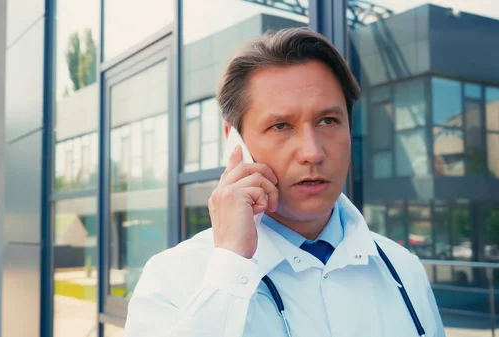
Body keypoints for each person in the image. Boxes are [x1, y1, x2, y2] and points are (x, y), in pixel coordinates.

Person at [124, 27, 445, 337]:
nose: (312, 152)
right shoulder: (173, 278)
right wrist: (230, 266)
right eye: (281, 126)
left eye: (328, 121)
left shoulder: (404, 270)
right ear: (234, 143)